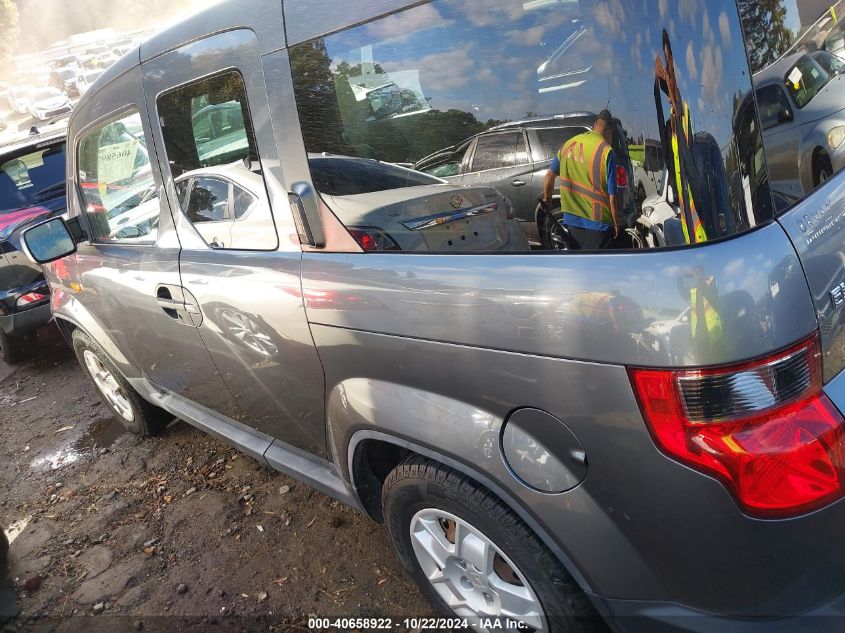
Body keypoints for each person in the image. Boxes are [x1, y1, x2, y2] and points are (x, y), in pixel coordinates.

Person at [541, 110, 620, 250]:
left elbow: (549, 177)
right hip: (599, 224)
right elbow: (612, 197)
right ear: (609, 131)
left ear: (594, 124)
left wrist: (547, 200)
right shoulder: (606, 151)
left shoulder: (568, 144)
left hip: (572, 221)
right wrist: (616, 224)